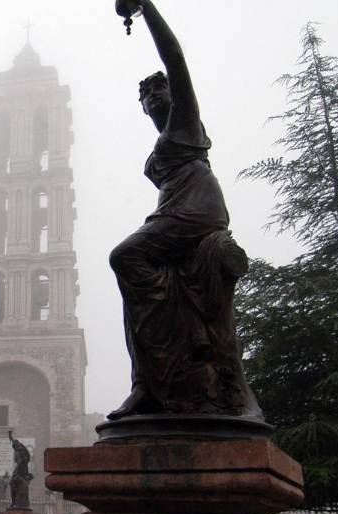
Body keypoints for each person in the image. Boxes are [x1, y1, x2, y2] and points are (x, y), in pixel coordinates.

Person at [107, 0, 260, 421]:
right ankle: (150, 381)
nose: (152, 98)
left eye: (159, 91)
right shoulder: (160, 145)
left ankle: (150, 384)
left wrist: (144, 7)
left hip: (197, 213)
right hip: (175, 214)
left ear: (174, 96)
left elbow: (174, 57)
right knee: (142, 286)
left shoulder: (185, 122)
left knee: (126, 256)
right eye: (146, 97)